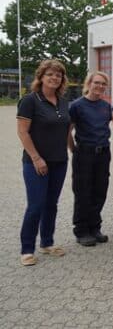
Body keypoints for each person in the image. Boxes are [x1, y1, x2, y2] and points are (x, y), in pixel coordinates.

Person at [17, 59, 71, 266]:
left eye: (58, 75)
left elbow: (67, 129)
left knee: (51, 204)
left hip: (59, 161)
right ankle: (27, 249)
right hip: (35, 163)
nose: (54, 78)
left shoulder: (64, 102)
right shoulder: (30, 101)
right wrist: (36, 158)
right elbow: (22, 131)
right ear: (41, 77)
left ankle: (47, 243)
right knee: (36, 205)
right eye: (50, 74)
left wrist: (69, 149)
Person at [68, 71, 112, 247]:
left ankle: (95, 228)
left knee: (100, 191)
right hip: (84, 153)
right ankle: (82, 230)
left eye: (103, 84)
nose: (100, 86)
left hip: (103, 154)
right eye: (97, 83)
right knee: (83, 192)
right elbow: (67, 131)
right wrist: (75, 150)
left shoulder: (105, 106)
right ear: (89, 83)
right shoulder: (77, 106)